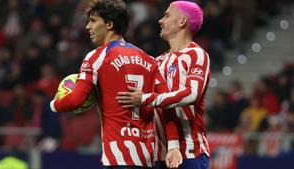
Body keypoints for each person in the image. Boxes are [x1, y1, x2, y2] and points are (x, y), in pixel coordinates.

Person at [49, 0, 174, 168]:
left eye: (93, 21)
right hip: (148, 156)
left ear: (109, 24)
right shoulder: (150, 60)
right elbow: (167, 104)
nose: (88, 27)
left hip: (119, 156)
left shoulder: (97, 56)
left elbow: (77, 99)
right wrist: (173, 145)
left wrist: (54, 104)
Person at [117, 1, 210, 169]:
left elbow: (191, 94)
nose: (160, 20)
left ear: (182, 21)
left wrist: (145, 98)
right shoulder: (158, 61)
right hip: (160, 154)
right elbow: (158, 107)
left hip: (190, 152)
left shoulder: (196, 54)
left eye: (166, 16)